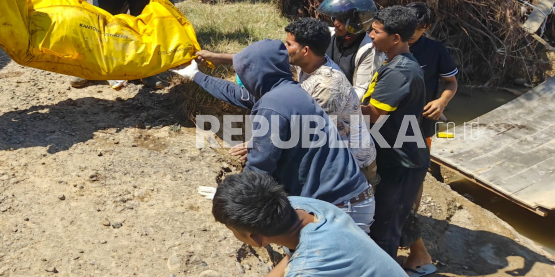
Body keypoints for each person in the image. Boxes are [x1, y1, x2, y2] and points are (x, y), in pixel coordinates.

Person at [173, 40, 372, 228]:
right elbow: (235, 93)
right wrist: (195, 75)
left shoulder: (273, 107)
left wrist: (233, 195)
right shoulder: (287, 91)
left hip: (338, 208)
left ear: (257, 73)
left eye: (242, 71)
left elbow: (259, 168)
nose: (240, 77)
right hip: (348, 199)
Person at [212, 172, 408, 277]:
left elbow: (303, 264)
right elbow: (293, 257)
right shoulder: (305, 207)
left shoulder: (308, 269)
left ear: (255, 238)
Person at [361, 6, 429, 259]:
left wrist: (338, 107)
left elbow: (375, 115)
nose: (370, 35)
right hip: (393, 155)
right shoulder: (395, 62)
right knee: (387, 219)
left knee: (385, 228)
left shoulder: (400, 71)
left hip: (402, 161)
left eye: (376, 32)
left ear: (396, 38)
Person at [285, 18, 378, 192]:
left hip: (353, 164)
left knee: (352, 214)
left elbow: (309, 134)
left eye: (288, 44)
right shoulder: (308, 61)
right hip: (333, 156)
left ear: (305, 50)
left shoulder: (327, 87)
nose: (284, 49)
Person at [400, 2, 458, 276]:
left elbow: (451, 83)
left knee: (416, 175)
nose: (412, 34)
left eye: (418, 30)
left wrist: (441, 102)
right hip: (386, 124)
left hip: (421, 125)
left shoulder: (436, 51)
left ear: (427, 29)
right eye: (409, 28)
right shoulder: (391, 41)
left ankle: (411, 216)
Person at [317, 0, 384, 98]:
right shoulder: (328, 35)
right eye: (335, 18)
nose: (336, 23)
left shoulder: (367, 50)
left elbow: (361, 90)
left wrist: (335, 104)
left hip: (345, 104)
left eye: (342, 20)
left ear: (356, 23)